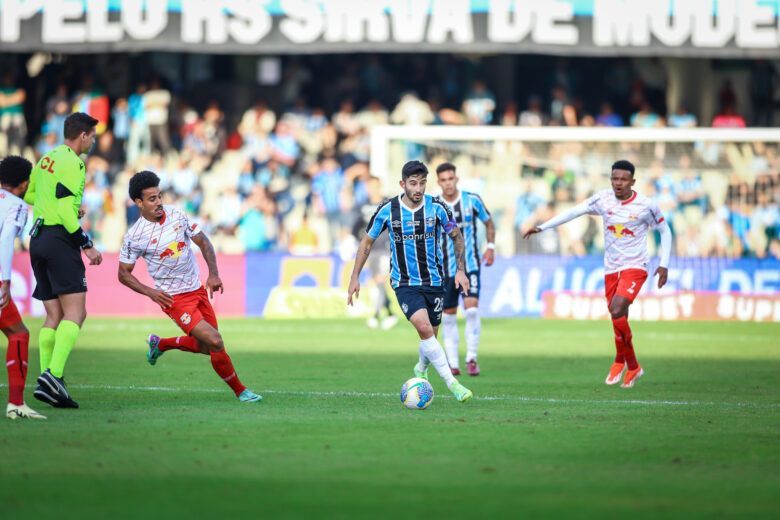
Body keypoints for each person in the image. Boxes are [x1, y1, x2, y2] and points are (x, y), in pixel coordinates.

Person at [524, 160, 672, 388]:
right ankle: (621, 360)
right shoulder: (603, 199)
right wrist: (543, 226)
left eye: (623, 179)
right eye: (615, 178)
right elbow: (575, 211)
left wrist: (663, 264)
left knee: (617, 308)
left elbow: (665, 230)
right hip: (611, 267)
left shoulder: (646, 205)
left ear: (633, 181)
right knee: (617, 316)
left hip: (636, 266)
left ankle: (632, 365)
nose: (618, 183)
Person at [117, 171, 261, 403]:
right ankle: (241, 391)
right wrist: (151, 292)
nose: (159, 202)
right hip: (174, 299)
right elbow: (123, 274)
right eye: (152, 199)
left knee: (207, 347)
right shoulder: (135, 236)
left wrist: (213, 273)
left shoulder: (177, 214)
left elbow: (203, 241)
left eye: (159, 196)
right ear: (138, 203)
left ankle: (160, 343)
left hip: (197, 290)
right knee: (215, 341)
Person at [347, 160, 473, 403]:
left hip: (435, 281)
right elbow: (366, 243)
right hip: (404, 283)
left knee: (430, 338)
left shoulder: (437, 207)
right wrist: (355, 277)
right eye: (413, 183)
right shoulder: (387, 210)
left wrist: (460, 270)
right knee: (425, 329)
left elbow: (457, 236)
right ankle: (453, 384)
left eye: (422, 183)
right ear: (403, 184)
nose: (418, 188)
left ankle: (420, 369)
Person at [26, 112, 103, 409]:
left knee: (53, 316)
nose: (93, 141)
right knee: (76, 313)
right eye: (92, 136)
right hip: (59, 241)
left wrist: (63, 206)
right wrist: (86, 245)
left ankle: (46, 380)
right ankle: (53, 376)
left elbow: (31, 194)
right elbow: (65, 213)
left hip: (38, 239)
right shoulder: (75, 162)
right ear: (82, 135)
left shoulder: (47, 158)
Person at [435, 163, 495, 376]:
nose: (448, 183)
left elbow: (489, 223)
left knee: (471, 310)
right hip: (445, 270)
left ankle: (471, 357)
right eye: (443, 180)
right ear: (438, 182)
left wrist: (490, 247)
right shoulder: (435, 205)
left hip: (470, 265)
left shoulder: (472, 200)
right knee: (449, 316)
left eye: (451, 178)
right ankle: (452, 363)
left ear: (456, 179)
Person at [0, 156, 45, 419]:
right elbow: (6, 240)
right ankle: (16, 404)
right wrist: (5, 280)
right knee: (18, 334)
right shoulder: (16, 206)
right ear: (25, 183)